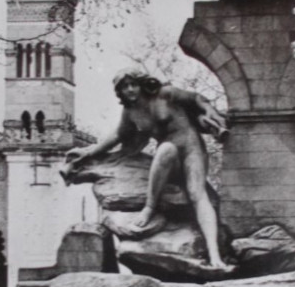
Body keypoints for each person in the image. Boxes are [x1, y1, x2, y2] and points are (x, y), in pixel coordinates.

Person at [65, 72, 230, 271]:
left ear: (141, 84)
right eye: (124, 87)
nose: (130, 90)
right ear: (120, 92)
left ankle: (215, 256)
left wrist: (209, 110)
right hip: (169, 159)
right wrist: (89, 151)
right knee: (166, 149)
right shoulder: (130, 112)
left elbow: (195, 98)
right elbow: (118, 136)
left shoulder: (164, 94)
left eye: (133, 85)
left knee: (197, 194)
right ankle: (149, 208)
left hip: (192, 149)